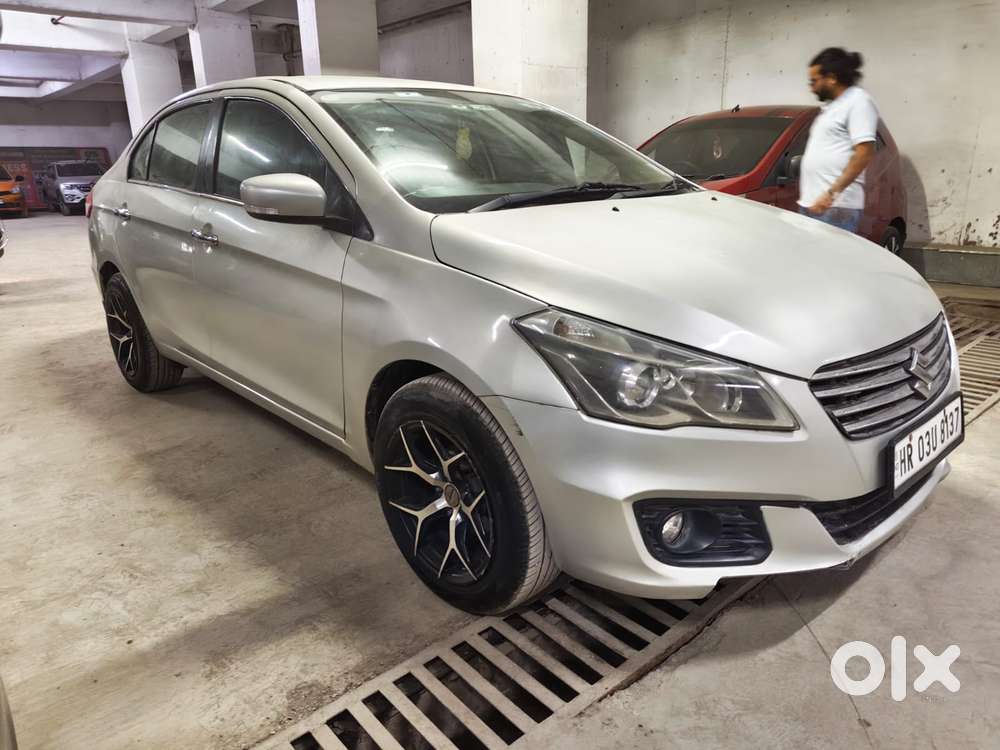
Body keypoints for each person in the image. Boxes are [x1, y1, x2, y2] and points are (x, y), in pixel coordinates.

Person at [799, 48, 878, 234]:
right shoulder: (831, 108)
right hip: (814, 204)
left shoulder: (859, 101)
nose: (811, 87)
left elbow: (864, 153)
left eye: (814, 81)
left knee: (828, 262)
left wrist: (831, 194)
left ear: (832, 78)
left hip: (835, 208)